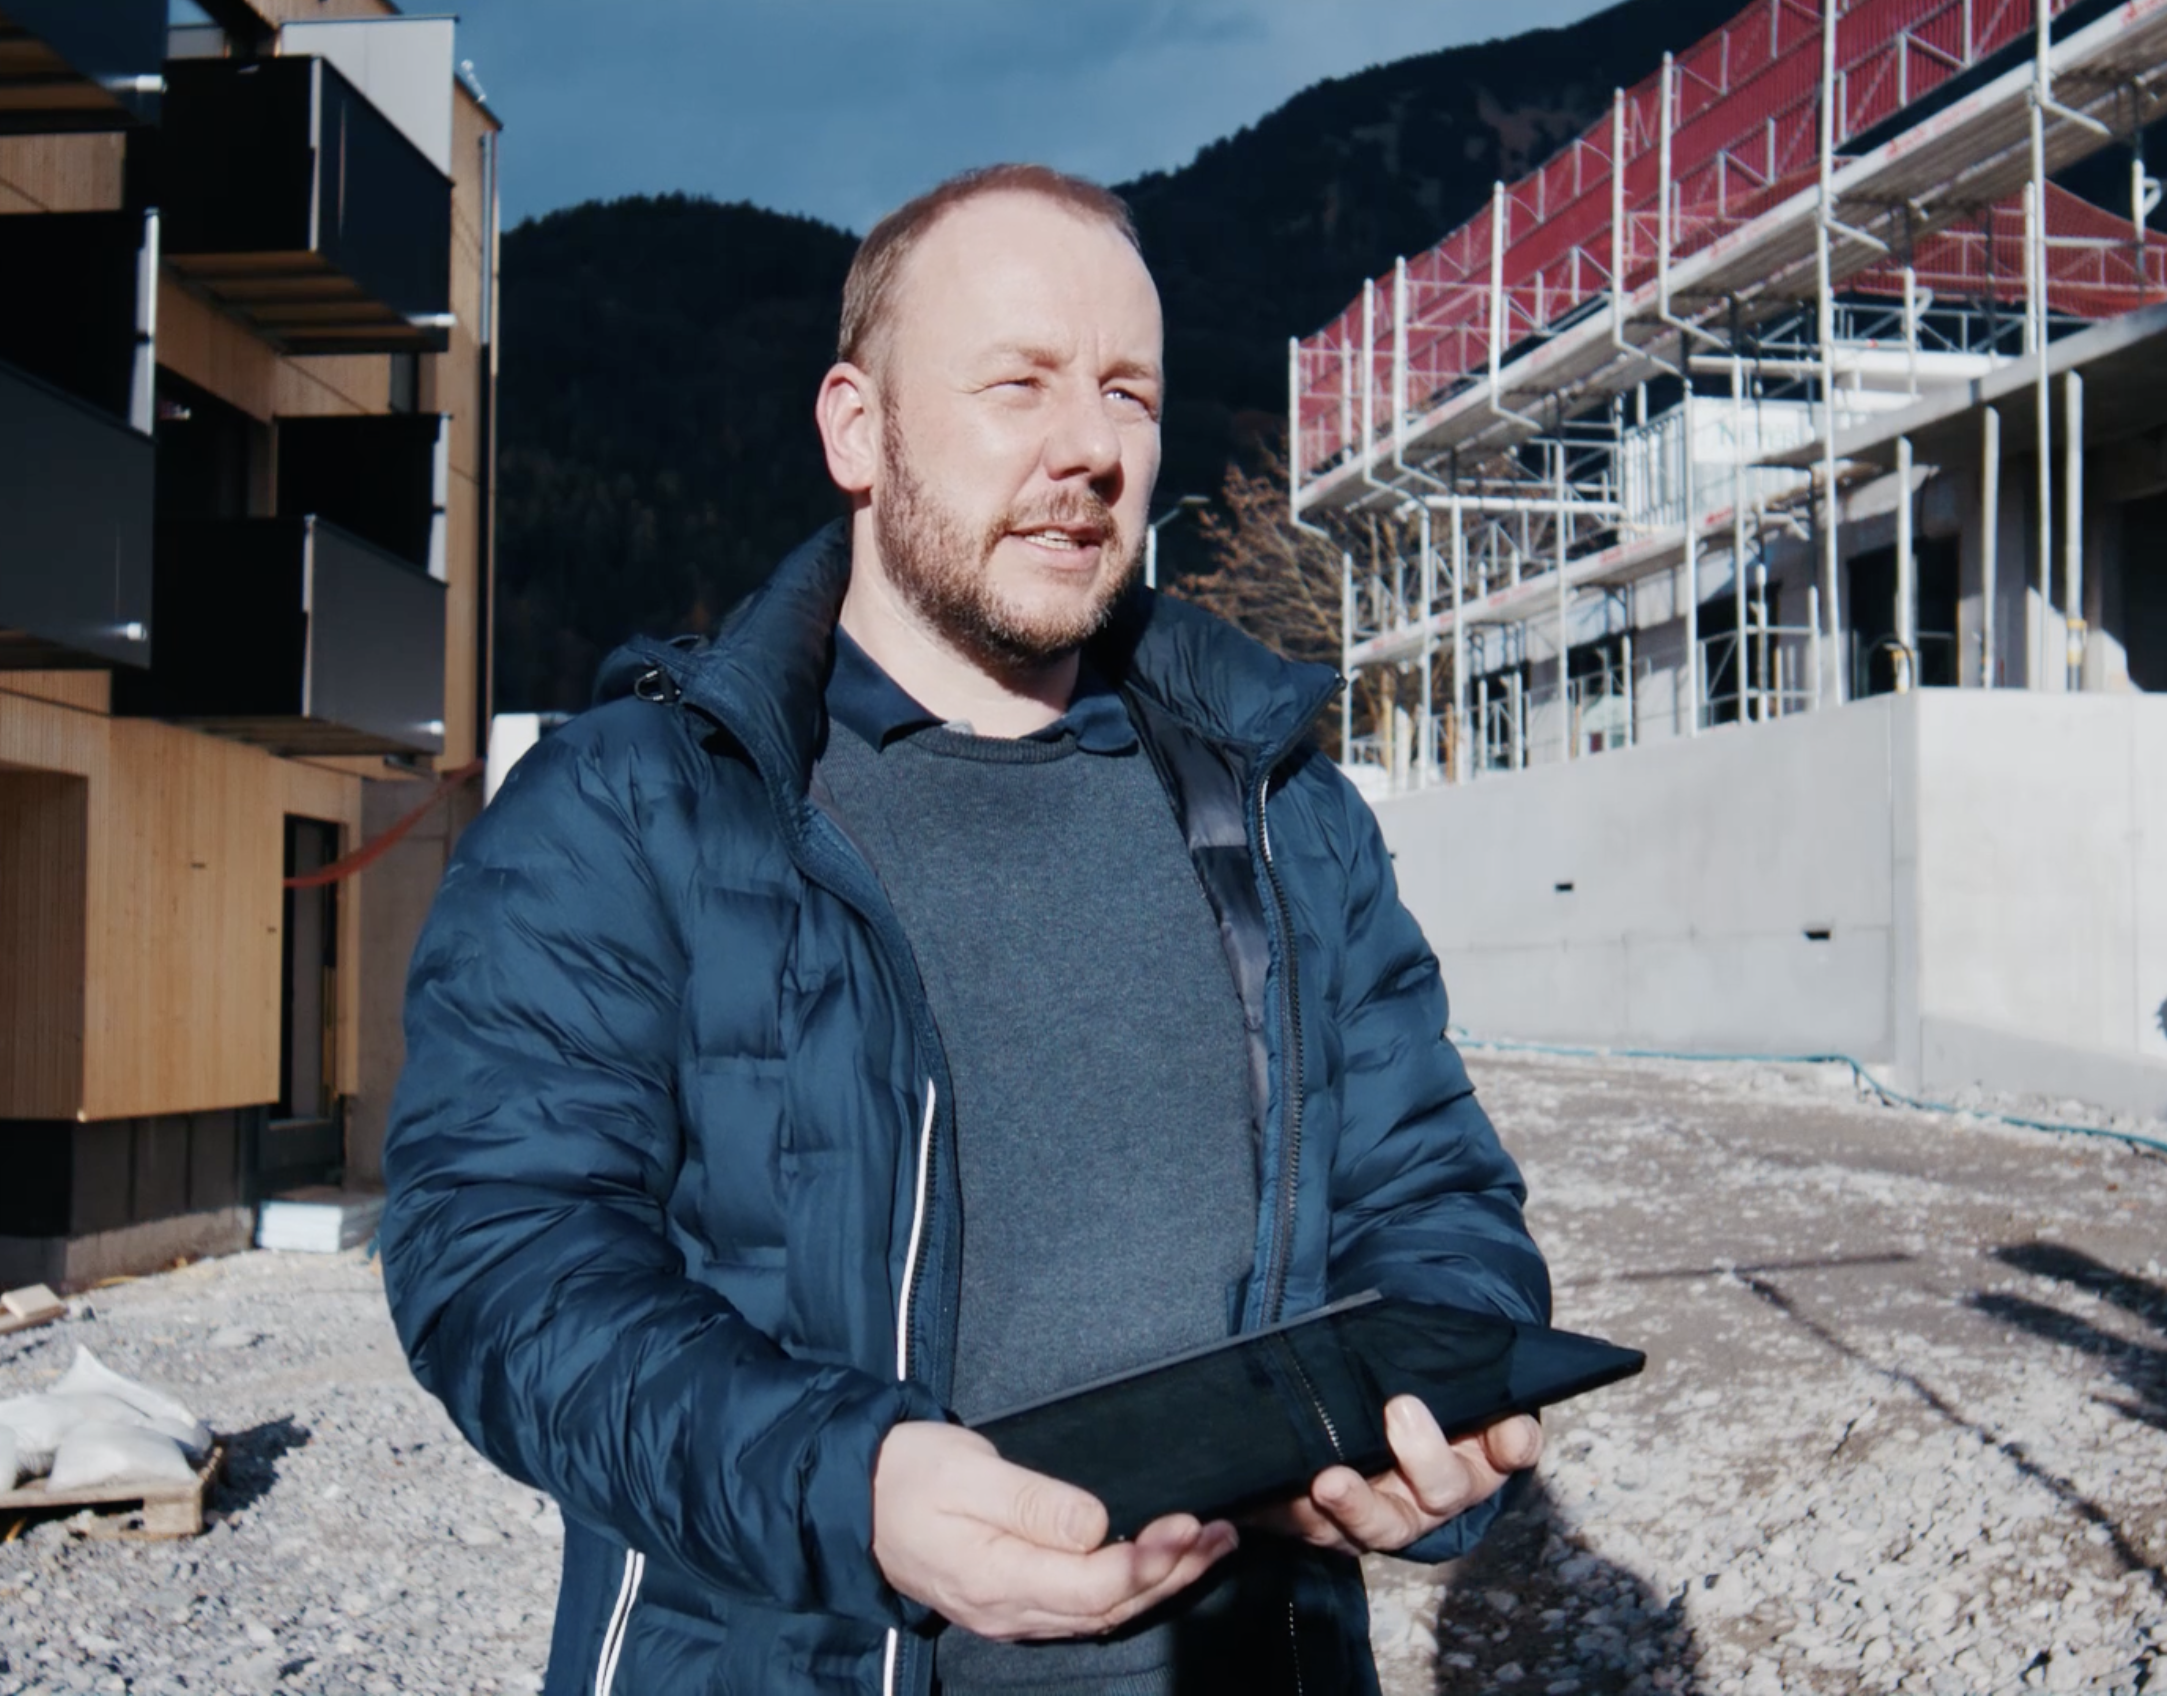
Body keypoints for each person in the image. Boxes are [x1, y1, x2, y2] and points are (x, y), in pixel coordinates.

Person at [382, 163, 1551, 1696]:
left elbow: (1433, 1192)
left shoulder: (1282, 811)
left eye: (1129, 394)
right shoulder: (633, 812)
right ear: (857, 430)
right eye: (1020, 385)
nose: (1090, 450)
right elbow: (500, 1256)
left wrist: (1431, 1400)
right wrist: (851, 1486)